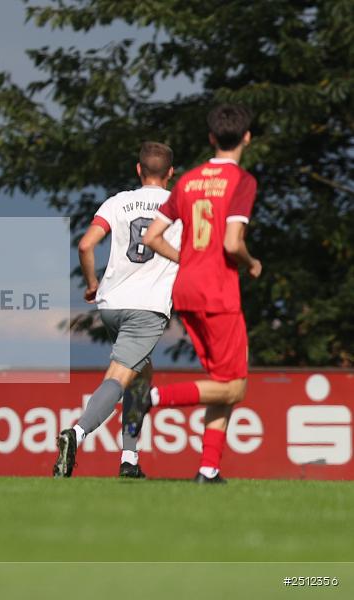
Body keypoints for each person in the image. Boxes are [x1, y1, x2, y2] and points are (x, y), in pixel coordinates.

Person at [126, 104, 262, 484]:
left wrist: (185, 258)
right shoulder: (243, 182)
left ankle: (208, 468)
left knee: (222, 383)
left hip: (185, 289)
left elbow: (152, 237)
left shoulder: (187, 181)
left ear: (212, 138)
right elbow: (233, 242)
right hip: (218, 292)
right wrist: (251, 263)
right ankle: (151, 399)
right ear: (247, 138)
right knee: (234, 386)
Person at [52, 142, 181, 479]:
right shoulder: (179, 205)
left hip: (112, 304)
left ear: (139, 170)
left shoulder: (118, 202)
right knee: (119, 376)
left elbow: (85, 244)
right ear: (170, 172)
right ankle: (75, 434)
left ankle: (129, 460)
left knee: (141, 375)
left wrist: (92, 283)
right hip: (147, 306)